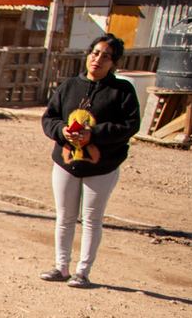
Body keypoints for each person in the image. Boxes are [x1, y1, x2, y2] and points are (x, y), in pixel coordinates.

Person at [40, 34, 139, 288]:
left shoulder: (122, 91)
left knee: (92, 219)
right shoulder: (69, 86)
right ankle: (61, 267)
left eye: (106, 56)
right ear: (88, 55)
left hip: (101, 166)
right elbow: (49, 118)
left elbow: (130, 125)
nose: (98, 59)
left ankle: (82, 271)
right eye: (95, 53)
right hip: (66, 162)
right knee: (64, 217)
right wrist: (62, 130)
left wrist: (93, 134)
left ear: (113, 62)